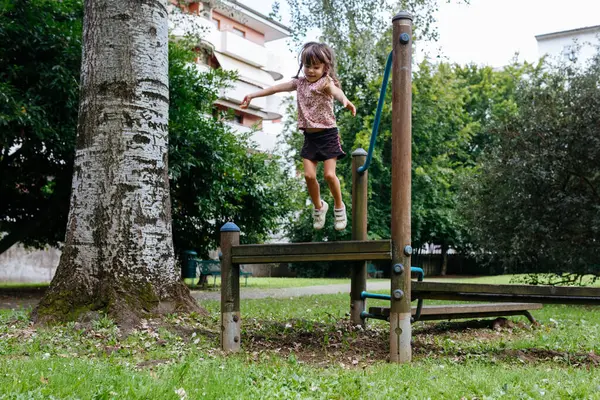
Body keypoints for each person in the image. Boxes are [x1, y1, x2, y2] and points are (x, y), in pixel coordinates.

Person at [240, 42, 356, 231]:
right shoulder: (299, 83)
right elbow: (276, 88)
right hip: (309, 137)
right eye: (307, 66)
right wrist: (253, 95)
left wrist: (346, 101)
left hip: (327, 134)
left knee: (328, 174)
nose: (311, 71)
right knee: (309, 176)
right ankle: (319, 207)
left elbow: (337, 92)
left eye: (316, 67)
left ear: (325, 67)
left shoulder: (326, 82)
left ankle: (338, 206)